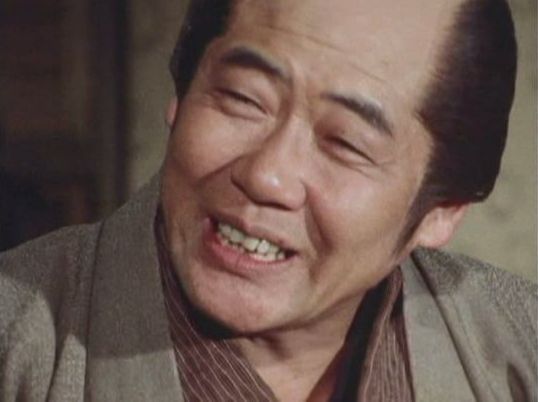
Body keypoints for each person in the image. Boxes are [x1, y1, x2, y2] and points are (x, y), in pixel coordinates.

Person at [0, 0, 536, 401]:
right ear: (181, 94)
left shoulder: (521, 349)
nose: (267, 176)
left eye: (346, 143)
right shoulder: (17, 340)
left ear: (442, 211)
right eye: (241, 98)